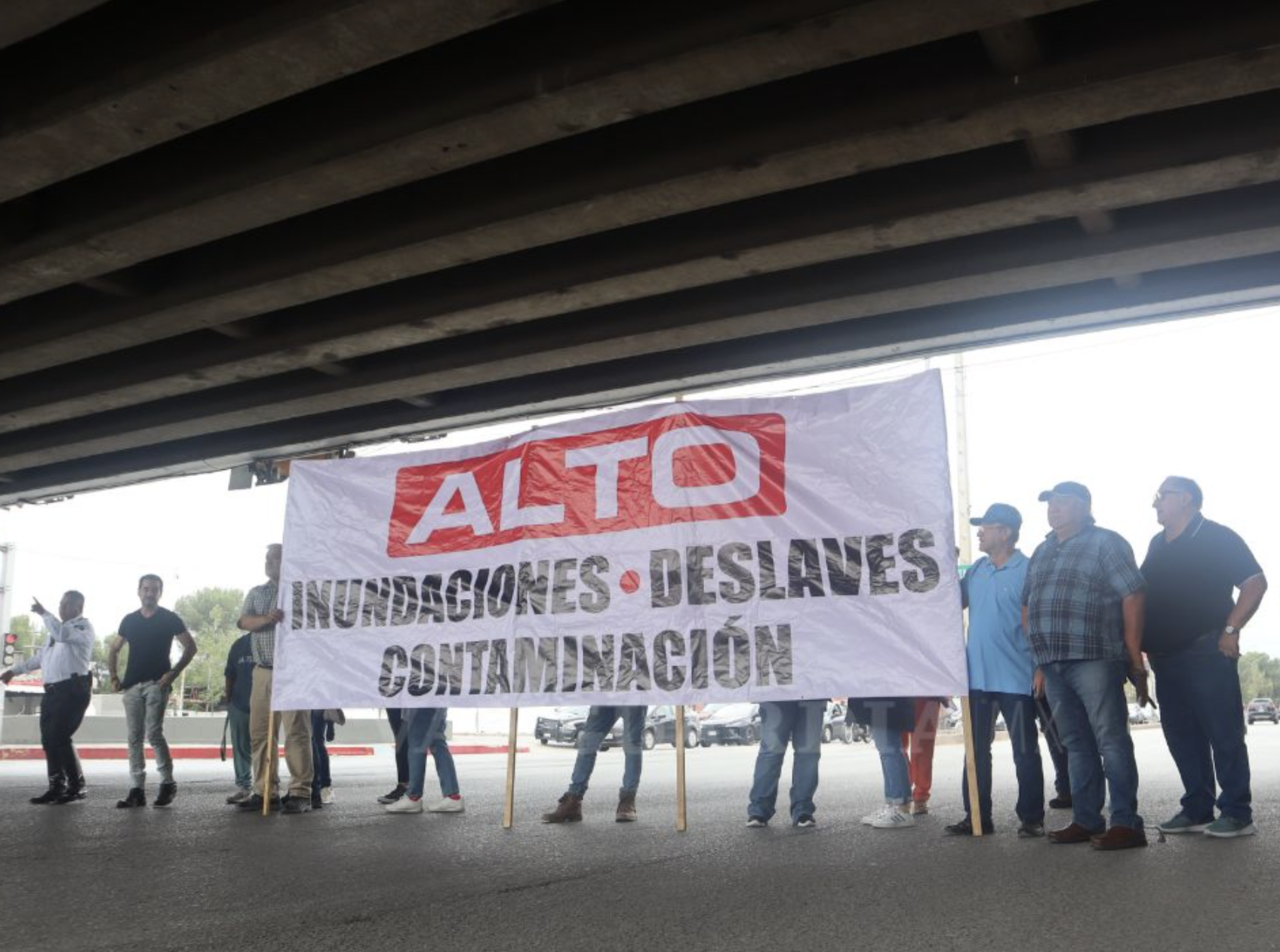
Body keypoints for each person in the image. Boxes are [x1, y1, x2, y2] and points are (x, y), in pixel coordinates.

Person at [1024, 481, 1149, 850]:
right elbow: (1027, 603)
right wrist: (1039, 657)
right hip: (1053, 661)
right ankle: (1086, 819)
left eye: (1062, 501)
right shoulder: (1043, 549)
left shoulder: (1106, 542)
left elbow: (1134, 593)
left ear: (1084, 506)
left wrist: (1133, 651)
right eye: (1050, 502)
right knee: (1075, 743)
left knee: (1110, 740)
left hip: (1095, 656)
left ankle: (1126, 823)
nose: (1053, 508)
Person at [1143, 476, 1267, 838]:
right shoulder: (1156, 543)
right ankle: (1197, 807)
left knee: (1222, 732)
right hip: (1165, 657)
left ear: (1185, 498)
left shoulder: (1216, 536)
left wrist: (1231, 629)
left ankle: (1237, 812)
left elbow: (1254, 582)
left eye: (1161, 495)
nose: (1155, 503)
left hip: (1205, 649)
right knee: (1181, 736)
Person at [946, 503, 1046, 837]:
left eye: (985, 527)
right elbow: (947, 602)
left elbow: (1039, 623)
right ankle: (976, 815)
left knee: (1025, 750)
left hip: (1017, 678)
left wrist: (1040, 667)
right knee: (975, 752)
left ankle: (1031, 818)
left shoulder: (1030, 569)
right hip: (976, 680)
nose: (979, 532)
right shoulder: (976, 570)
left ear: (1005, 532)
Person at [236, 543, 314, 815]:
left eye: (274, 557)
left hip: (293, 671)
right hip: (263, 671)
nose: (268, 561)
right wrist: (267, 619)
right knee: (259, 733)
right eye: (266, 557)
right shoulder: (257, 593)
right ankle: (264, 790)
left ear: (286, 560)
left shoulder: (300, 592)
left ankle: (300, 792)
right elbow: (243, 622)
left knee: (297, 732)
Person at [108, 574, 196, 808]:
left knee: (154, 734)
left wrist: (173, 674)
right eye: (146, 589)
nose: (150, 593)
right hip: (132, 687)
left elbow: (190, 646)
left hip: (157, 684)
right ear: (139, 591)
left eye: (154, 590)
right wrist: (114, 677)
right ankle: (137, 790)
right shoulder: (129, 620)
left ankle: (167, 784)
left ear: (160, 593)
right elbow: (114, 648)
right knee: (134, 738)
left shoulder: (169, 618)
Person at [2, 594, 95, 805]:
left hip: (72, 690)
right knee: (49, 738)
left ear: (78, 606)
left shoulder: (82, 629)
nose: (61, 607)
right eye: (61, 604)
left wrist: (44, 613)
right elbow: (40, 658)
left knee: (59, 735)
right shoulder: (56, 631)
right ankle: (56, 786)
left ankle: (77, 786)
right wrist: (14, 671)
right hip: (53, 691)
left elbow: (62, 634)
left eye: (66, 604)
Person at [542, 705, 646, 823]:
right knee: (588, 741)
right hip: (605, 694)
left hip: (634, 692)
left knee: (632, 743)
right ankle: (573, 800)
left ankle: (627, 801)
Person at [746, 700, 826, 828]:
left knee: (806, 753)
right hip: (782, 694)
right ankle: (760, 810)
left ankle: (801, 809)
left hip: (806, 694)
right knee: (775, 752)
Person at [849, 697, 918, 829]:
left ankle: (902, 808)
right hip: (879, 697)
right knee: (886, 750)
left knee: (889, 749)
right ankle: (893, 804)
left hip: (885, 697)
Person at [378, 708, 464, 811]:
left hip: (420, 701)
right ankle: (452, 795)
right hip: (437, 700)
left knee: (417, 743)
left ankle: (413, 797)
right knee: (438, 743)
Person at [223, 631, 255, 805]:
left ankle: (264, 789)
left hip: (264, 704)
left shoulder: (273, 641)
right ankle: (244, 787)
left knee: (262, 747)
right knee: (240, 747)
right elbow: (230, 674)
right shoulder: (239, 644)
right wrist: (229, 701)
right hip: (239, 703)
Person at [902, 698, 941, 814]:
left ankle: (906, 796)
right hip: (925, 688)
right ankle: (914, 796)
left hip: (900, 689)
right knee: (921, 746)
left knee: (895, 745)